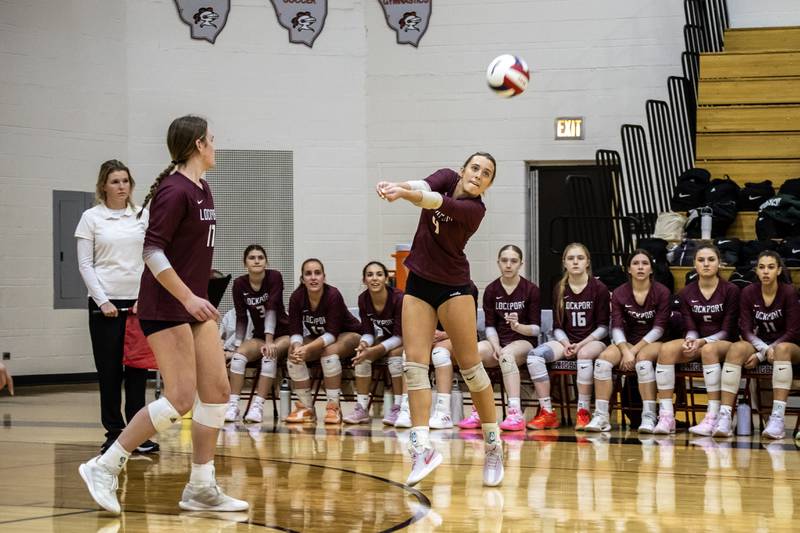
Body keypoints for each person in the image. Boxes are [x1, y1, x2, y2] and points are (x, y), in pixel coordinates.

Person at [79, 115, 248, 515]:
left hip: (192, 305)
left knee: (218, 392)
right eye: (211, 139)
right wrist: (189, 297)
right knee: (178, 398)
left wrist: (199, 291)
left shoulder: (202, 187)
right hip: (166, 305)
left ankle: (201, 487)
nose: (215, 144)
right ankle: (104, 466)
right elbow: (152, 251)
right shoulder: (174, 191)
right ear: (197, 146)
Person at [376, 152, 503, 487]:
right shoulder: (447, 177)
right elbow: (424, 185)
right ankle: (422, 448)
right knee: (414, 365)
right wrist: (397, 186)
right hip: (419, 282)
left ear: (488, 184)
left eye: (486, 173)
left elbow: (431, 201)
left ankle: (493, 444)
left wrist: (402, 193)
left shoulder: (475, 210)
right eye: (475, 168)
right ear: (463, 170)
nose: (478, 174)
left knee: (472, 369)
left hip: (454, 288)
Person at [74, 159, 158, 455]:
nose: (121, 186)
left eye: (125, 181)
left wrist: (143, 297)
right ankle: (114, 433)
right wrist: (103, 300)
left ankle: (137, 434)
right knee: (109, 371)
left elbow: (152, 258)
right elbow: (85, 264)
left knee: (137, 371)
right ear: (103, 186)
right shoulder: (91, 218)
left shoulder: (142, 216)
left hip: (138, 304)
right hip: (105, 305)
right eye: (115, 181)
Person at [653, 245, 739, 435]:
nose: (706, 264)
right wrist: (690, 340)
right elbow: (690, 326)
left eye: (711, 260)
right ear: (694, 264)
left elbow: (727, 330)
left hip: (725, 343)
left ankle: (713, 416)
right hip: (699, 341)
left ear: (719, 263)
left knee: (709, 350)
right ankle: (667, 416)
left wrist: (702, 342)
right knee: (666, 350)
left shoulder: (731, 290)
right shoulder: (686, 292)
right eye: (701, 260)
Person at [713, 251, 799, 439]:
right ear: (756, 271)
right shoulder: (748, 292)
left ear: (778, 270)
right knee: (736, 348)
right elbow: (746, 330)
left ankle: (777, 419)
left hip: (789, 346)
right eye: (761, 267)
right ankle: (725, 417)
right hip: (761, 344)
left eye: (770, 267)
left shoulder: (789, 292)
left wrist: (762, 355)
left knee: (782, 349)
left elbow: (793, 331)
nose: (766, 271)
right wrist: (764, 350)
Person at [585, 249, 671, 433]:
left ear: (651, 269)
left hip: (655, 342)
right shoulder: (619, 293)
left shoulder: (662, 292)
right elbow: (616, 326)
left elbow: (659, 328)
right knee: (602, 362)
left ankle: (648, 416)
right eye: (636, 263)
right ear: (629, 269)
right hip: (627, 342)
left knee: (644, 363)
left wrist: (633, 352)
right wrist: (625, 350)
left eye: (645, 263)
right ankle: (601, 416)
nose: (640, 267)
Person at [527, 243, 609, 430]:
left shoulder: (599, 288)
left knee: (584, 355)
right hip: (566, 340)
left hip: (594, 342)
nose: (575, 262)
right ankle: (547, 412)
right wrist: (565, 343)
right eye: (571, 258)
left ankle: (583, 411)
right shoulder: (560, 288)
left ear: (587, 262)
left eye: (580, 258)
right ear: (564, 263)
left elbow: (604, 328)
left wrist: (580, 345)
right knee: (534, 357)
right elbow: (557, 327)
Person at [458, 245, 540, 432]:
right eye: (504, 260)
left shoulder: (531, 290)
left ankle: (514, 413)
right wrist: (495, 346)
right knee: (475, 352)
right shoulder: (491, 290)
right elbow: (489, 326)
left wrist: (518, 326)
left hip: (523, 341)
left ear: (521, 263)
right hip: (498, 341)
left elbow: (536, 330)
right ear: (498, 263)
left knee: (507, 356)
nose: (508, 265)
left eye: (513, 261)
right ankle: (479, 410)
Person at [285, 258, 362, 424]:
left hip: (348, 334)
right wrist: (298, 347)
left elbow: (332, 334)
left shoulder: (332, 294)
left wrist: (308, 348)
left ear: (324, 277)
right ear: (302, 279)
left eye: (317, 273)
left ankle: (333, 407)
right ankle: (306, 408)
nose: (313, 277)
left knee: (329, 353)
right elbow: (295, 331)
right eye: (308, 274)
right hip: (319, 337)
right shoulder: (297, 297)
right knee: (293, 355)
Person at [224, 244, 290, 423]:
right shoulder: (239, 284)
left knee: (270, 355)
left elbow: (271, 308)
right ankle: (233, 406)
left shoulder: (274, 276)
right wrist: (236, 348)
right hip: (260, 335)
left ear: (266, 261)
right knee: (238, 358)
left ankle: (258, 406)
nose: (256, 261)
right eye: (252, 258)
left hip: (284, 333)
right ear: (245, 263)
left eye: (260, 257)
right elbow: (241, 317)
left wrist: (270, 341)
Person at [344, 261, 404, 425]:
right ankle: (362, 408)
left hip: (407, 338)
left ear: (386, 278)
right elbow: (368, 332)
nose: (374, 278)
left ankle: (399, 407)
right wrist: (364, 344)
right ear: (364, 280)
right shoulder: (363, 299)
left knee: (394, 355)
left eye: (379, 274)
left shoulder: (399, 298)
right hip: (387, 338)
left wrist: (376, 349)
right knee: (361, 356)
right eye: (370, 275)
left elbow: (400, 336)